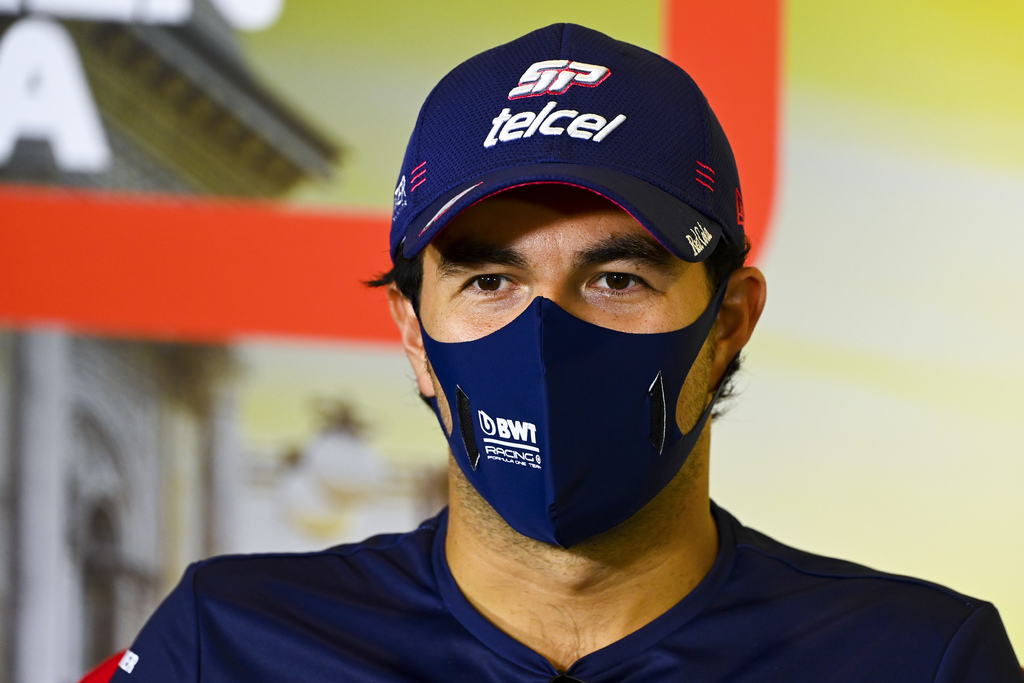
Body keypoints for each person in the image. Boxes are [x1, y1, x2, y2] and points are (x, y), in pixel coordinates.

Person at [107, 23, 1023, 682]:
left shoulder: (917, 660)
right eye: (488, 281)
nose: (544, 337)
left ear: (729, 323)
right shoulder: (224, 644)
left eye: (617, 278)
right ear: (412, 333)